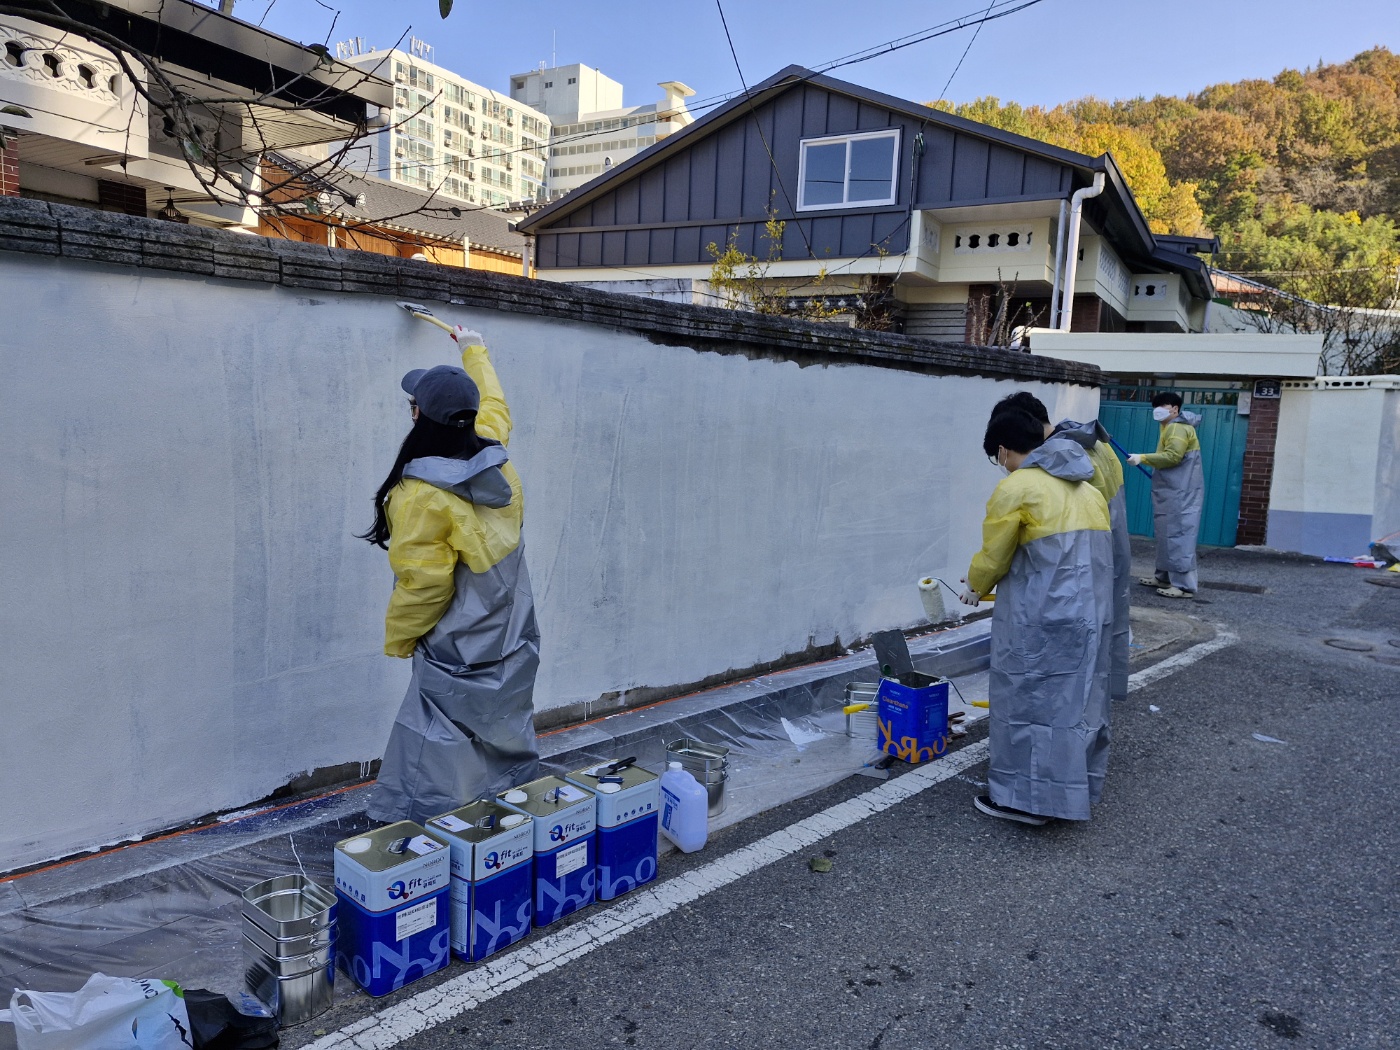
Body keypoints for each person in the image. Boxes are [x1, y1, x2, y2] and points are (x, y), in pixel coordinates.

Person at [360, 325, 541, 825]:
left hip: (459, 633)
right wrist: (473, 347)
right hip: (511, 621)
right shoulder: (494, 455)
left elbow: (425, 585)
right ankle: (507, 811)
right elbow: (496, 405)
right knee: (501, 715)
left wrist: (400, 642)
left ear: (420, 415)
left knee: (438, 735)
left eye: (413, 403)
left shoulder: (419, 494)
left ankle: (438, 831)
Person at [960, 407, 1113, 825]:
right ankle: (1066, 793)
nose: (1001, 464)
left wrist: (975, 586)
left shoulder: (1018, 487)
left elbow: (994, 555)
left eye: (998, 457)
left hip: (1040, 614)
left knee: (1026, 701)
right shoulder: (1088, 489)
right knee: (1072, 705)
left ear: (1005, 450)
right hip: (1090, 615)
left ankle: (1020, 801)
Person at [991, 392, 1131, 702]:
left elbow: (1062, 529)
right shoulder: (1097, 444)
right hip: (1111, 551)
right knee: (1098, 647)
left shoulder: (1061, 457)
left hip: (1073, 572)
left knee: (1064, 673)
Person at [1127, 392, 1204, 599]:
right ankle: (1163, 577)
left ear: (1175, 409)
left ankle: (1183, 586)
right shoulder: (1168, 427)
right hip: (1172, 490)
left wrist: (1141, 458)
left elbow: (1173, 457)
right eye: (1156, 406)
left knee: (1179, 536)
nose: (1158, 409)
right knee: (1166, 535)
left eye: (1163, 405)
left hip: (1181, 493)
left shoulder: (1177, 428)